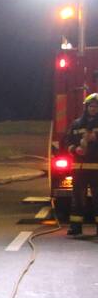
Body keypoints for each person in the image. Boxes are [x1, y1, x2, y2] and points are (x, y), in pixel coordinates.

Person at [65, 93, 98, 236]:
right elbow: (68, 141)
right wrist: (75, 149)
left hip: (97, 168)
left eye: (96, 107)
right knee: (78, 198)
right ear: (86, 107)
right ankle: (76, 227)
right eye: (91, 106)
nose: (94, 109)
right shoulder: (77, 124)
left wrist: (95, 138)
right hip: (79, 168)